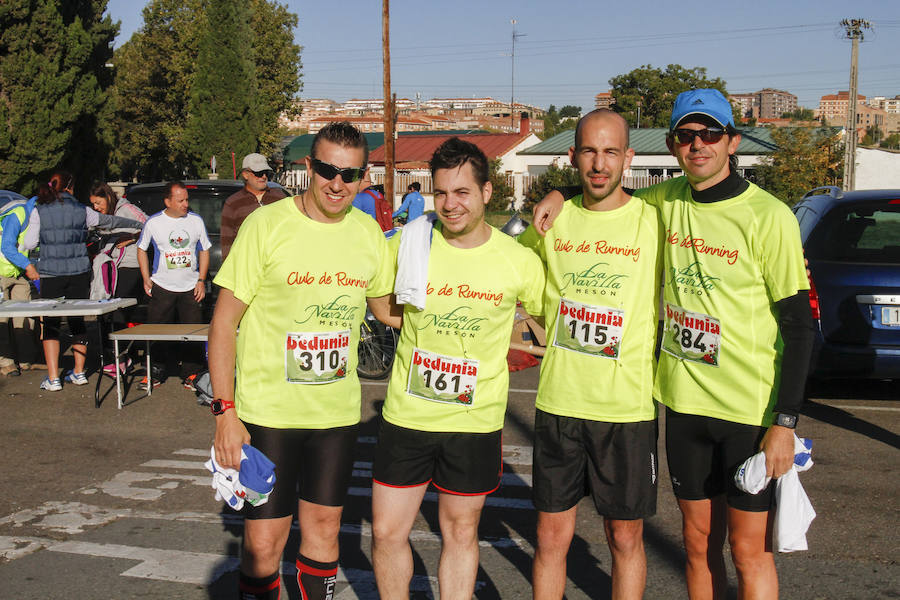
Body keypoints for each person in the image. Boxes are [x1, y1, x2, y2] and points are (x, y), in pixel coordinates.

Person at [533, 89, 814, 599]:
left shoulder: (769, 216)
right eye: (687, 136)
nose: (698, 145)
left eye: (710, 134)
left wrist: (786, 422)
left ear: (732, 142)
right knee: (699, 544)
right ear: (671, 144)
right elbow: (603, 195)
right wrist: (555, 193)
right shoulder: (664, 201)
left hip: (748, 409)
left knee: (750, 552)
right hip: (684, 405)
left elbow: (800, 325)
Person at [208, 122, 394, 600]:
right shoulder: (266, 225)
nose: (338, 183)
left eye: (350, 175)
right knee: (262, 544)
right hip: (268, 416)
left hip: (334, 417)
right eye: (329, 170)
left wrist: (474, 314)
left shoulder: (368, 232)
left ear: (364, 176)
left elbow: (387, 311)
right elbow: (223, 323)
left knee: (325, 533)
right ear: (309, 167)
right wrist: (224, 413)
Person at [370, 138, 544, 599]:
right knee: (387, 533)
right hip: (407, 415)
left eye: (462, 192)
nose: (450, 204)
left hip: (474, 419)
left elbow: (547, 321)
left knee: (461, 534)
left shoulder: (518, 260)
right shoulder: (412, 242)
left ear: (487, 192)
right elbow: (376, 294)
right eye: (442, 193)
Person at [518, 109, 662, 600]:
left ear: (629, 157)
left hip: (626, 409)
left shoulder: (654, 221)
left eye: (610, 152)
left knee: (625, 537)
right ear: (572, 155)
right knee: (551, 539)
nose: (599, 164)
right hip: (560, 403)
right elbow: (510, 282)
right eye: (589, 151)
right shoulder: (549, 221)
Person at [25, 171, 143, 391]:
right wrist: (137, 226)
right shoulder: (83, 211)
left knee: (50, 324)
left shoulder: (38, 211)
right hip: (79, 272)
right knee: (77, 321)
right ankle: (79, 373)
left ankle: (53, 378)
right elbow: (109, 221)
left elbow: (30, 242)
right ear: (70, 187)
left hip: (51, 273)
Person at [136, 181, 211, 389]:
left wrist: (201, 280)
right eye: (180, 200)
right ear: (167, 201)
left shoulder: (195, 221)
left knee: (193, 332)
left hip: (190, 287)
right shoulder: (154, 222)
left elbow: (204, 250)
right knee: (156, 331)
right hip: (162, 286)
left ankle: (192, 373)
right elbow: (141, 249)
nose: (185, 204)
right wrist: (146, 277)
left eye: (187, 200)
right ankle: (155, 371)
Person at [89, 183, 147, 373]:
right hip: (112, 267)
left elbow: (151, 226)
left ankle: (122, 358)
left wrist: (131, 238)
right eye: (93, 205)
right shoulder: (107, 215)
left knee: (119, 312)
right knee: (108, 312)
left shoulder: (127, 209)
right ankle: (115, 356)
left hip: (130, 266)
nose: (96, 208)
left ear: (108, 197)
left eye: (98, 203)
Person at [0, 195, 42, 376]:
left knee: (24, 317)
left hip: (18, 271)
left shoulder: (39, 216)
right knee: (2, 319)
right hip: (3, 271)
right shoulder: (18, 214)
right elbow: (7, 246)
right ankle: (6, 362)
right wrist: (28, 266)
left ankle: (26, 359)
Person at [220, 153, 286, 261]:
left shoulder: (280, 198)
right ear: (245, 174)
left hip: (277, 266)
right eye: (258, 173)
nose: (264, 177)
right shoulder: (232, 203)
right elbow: (227, 242)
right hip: (246, 266)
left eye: (266, 173)